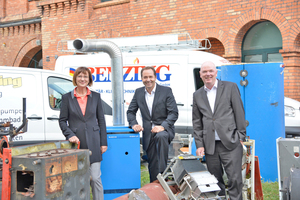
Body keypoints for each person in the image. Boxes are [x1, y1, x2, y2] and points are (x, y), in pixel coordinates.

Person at [192, 61, 246, 200]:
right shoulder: (197, 94)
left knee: (234, 180)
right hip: (210, 145)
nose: (208, 74)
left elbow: (239, 112)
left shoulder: (230, 87)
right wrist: (199, 144)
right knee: (215, 181)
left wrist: (240, 136)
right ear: (200, 74)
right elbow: (197, 121)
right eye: (204, 72)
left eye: (210, 71)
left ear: (216, 72)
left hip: (230, 141)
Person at [59, 67, 107, 200]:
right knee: (79, 179)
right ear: (75, 78)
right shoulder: (67, 98)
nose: (82, 79)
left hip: (94, 142)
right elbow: (62, 121)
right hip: (76, 144)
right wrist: (69, 135)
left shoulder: (96, 96)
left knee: (95, 178)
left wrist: (103, 142)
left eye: (85, 77)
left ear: (89, 79)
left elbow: (101, 120)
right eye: (80, 76)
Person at [127, 66, 178, 182]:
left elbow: (173, 113)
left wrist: (162, 126)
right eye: (145, 77)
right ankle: (154, 186)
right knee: (152, 163)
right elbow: (130, 111)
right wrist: (134, 124)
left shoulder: (166, 91)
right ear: (141, 78)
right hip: (148, 133)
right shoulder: (139, 92)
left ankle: (163, 176)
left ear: (155, 77)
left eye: (150, 76)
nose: (148, 79)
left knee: (161, 137)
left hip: (165, 130)